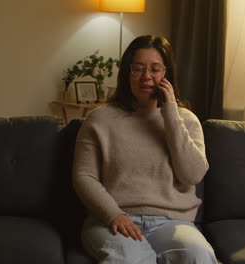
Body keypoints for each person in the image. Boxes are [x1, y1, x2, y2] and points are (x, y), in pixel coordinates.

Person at [72, 35, 217, 264]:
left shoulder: (186, 120)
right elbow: (84, 176)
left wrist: (170, 111)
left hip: (172, 223)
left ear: (166, 73)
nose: (146, 77)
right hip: (114, 220)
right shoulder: (100, 118)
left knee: (199, 255)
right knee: (130, 260)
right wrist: (114, 214)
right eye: (137, 69)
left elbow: (193, 174)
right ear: (126, 73)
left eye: (155, 69)